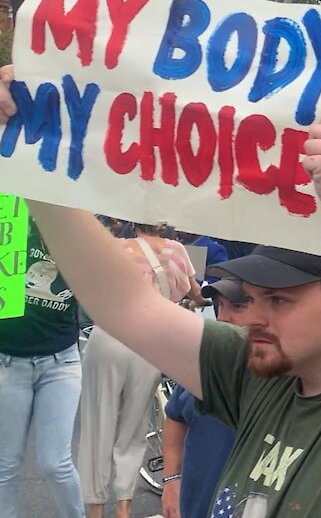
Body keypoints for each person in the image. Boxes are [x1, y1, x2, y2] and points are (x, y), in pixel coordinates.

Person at [9, 100, 321, 516]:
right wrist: (31, 159)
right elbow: (123, 302)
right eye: (251, 296)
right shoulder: (256, 365)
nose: (251, 316)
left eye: (280, 299)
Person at [78, 222, 199, 518]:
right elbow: (194, 293)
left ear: (133, 221)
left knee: (97, 424)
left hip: (109, 337)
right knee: (134, 429)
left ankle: (95, 509)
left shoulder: (116, 248)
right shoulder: (178, 251)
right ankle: (124, 507)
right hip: (150, 343)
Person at [0, 221, 83, 518]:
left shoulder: (80, 234)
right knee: (5, 465)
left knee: (55, 463)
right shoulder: (11, 223)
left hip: (61, 361)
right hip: (8, 361)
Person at [160, 278, 247, 518]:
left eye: (238, 307)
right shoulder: (206, 363)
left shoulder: (281, 377)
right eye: (221, 306)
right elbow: (175, 416)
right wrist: (171, 480)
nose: (225, 317)